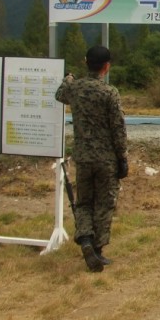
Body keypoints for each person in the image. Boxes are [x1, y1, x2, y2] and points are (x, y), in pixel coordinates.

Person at [55, 45, 128, 273]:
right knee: (104, 204)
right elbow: (118, 128)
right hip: (106, 159)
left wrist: (68, 78)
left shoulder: (75, 88)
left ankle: (85, 237)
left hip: (83, 157)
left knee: (84, 202)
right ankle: (97, 249)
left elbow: (60, 94)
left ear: (86, 63)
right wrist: (123, 157)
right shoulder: (109, 92)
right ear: (106, 66)